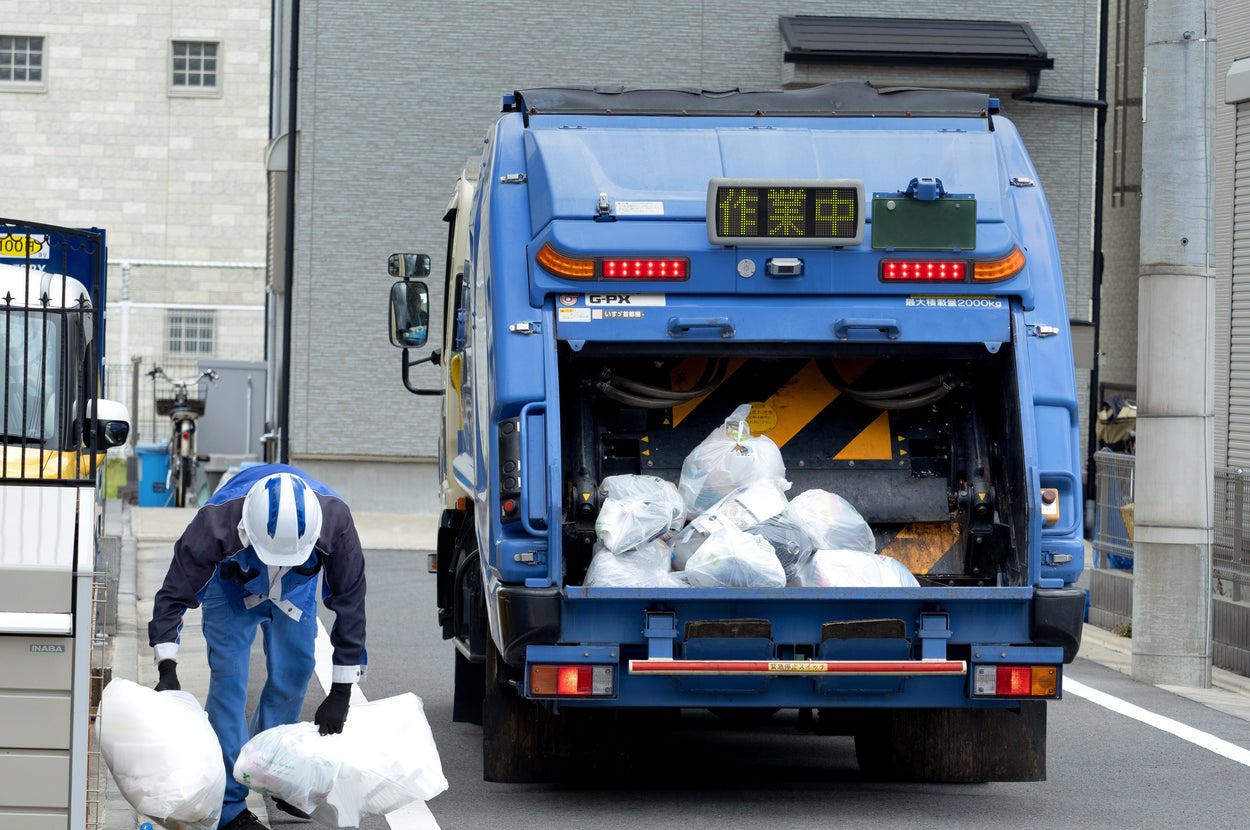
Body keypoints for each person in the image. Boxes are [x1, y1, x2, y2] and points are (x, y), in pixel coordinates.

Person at [148, 464, 368, 830]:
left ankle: (273, 772)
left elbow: (350, 602)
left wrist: (342, 690)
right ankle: (230, 808)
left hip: (295, 591)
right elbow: (175, 593)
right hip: (231, 589)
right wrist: (166, 667)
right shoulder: (215, 522)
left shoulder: (334, 521)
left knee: (295, 672)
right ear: (247, 528)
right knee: (229, 682)